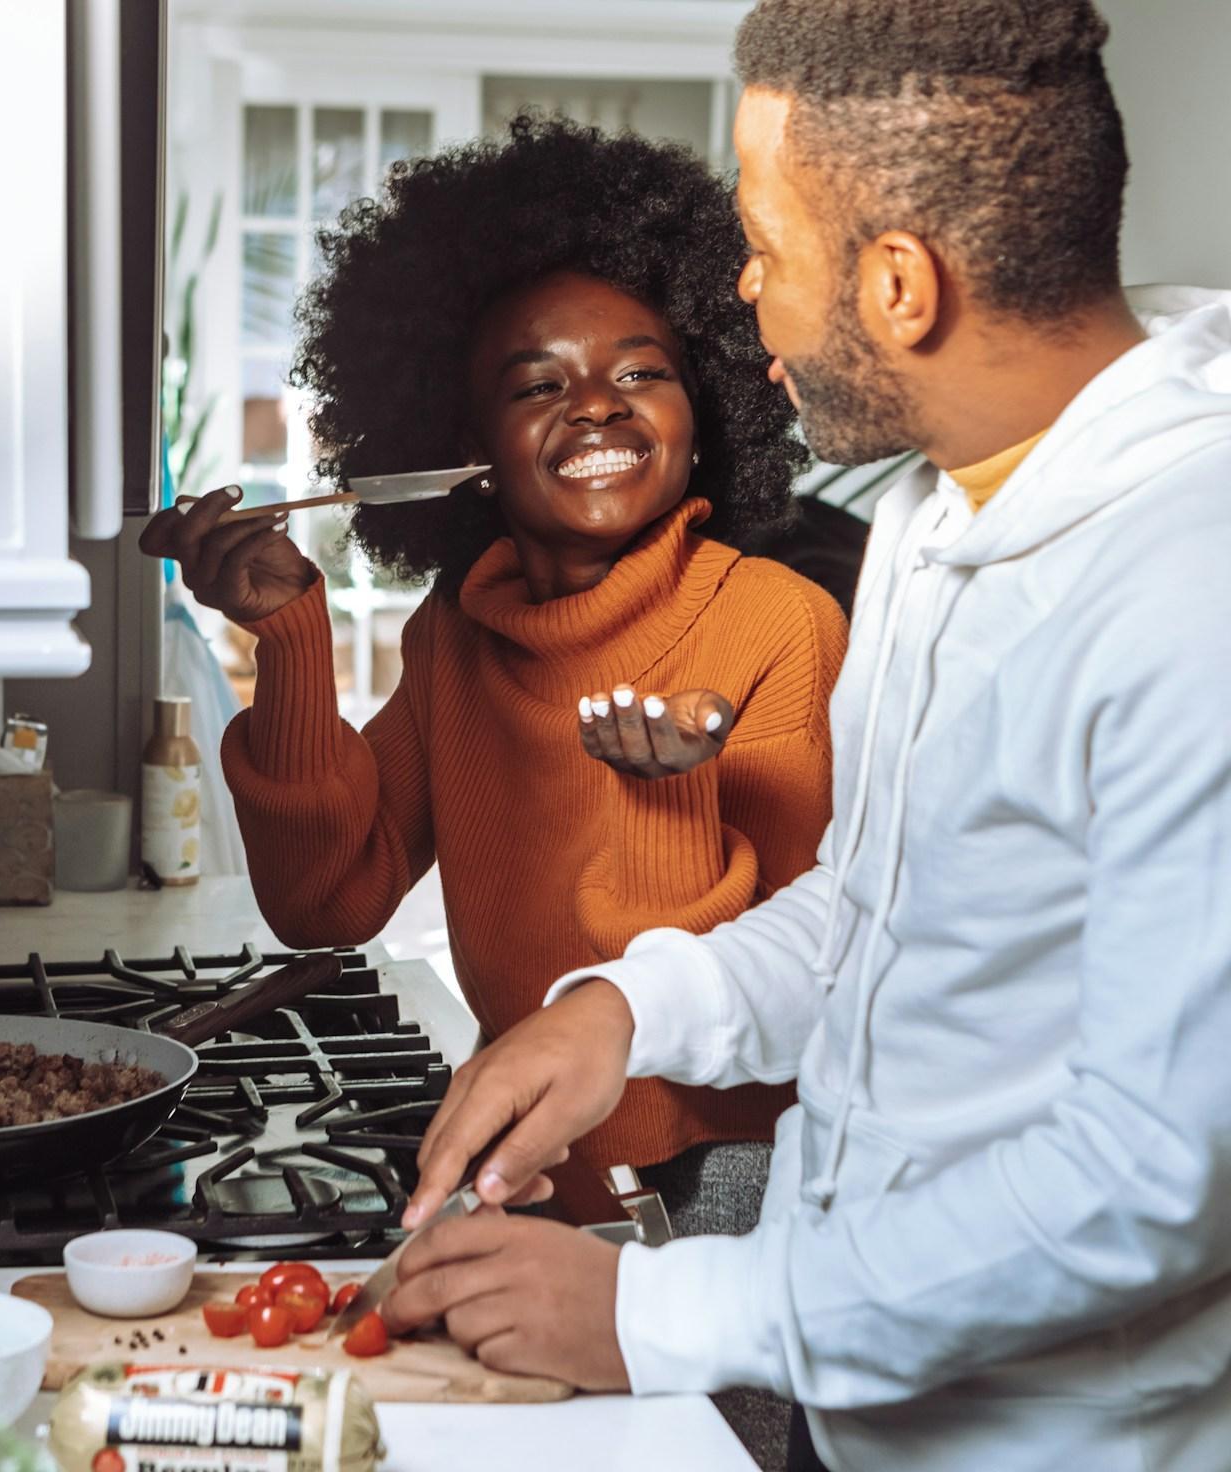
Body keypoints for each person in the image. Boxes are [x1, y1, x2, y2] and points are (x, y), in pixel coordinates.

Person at [383, 6, 1231, 1472]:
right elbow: (887, 908)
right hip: (871, 1419)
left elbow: (1151, 1181)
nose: (745, 294)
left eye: (766, 246)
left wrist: (660, 1314)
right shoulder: (934, 513)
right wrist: (628, 1014)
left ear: (899, 284)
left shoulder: (1191, 591)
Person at [139, 119, 848, 1238]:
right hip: (529, 1161)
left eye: (641, 371)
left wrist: (663, 794)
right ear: (462, 443)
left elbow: (807, 978)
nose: (599, 402)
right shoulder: (458, 636)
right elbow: (328, 899)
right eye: (537, 384)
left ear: (705, 412)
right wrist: (287, 640)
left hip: (729, 1189)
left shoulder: (777, 623)